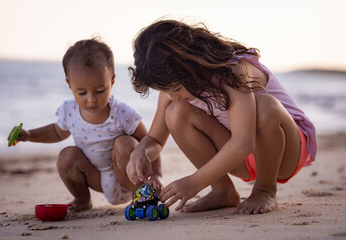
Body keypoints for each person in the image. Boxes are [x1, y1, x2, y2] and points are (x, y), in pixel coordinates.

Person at [126, 19, 317, 214]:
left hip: (285, 152)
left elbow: (244, 143)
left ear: (190, 66)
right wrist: (141, 151)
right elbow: (155, 140)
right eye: (166, 90)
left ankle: (265, 189)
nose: (172, 96)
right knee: (175, 112)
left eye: (175, 89)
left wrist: (194, 182)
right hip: (241, 158)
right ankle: (222, 190)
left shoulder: (233, 72)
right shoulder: (172, 90)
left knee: (265, 105)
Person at [13, 37, 163, 211]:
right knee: (66, 155)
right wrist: (30, 135)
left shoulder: (122, 113)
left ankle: (140, 198)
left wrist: (156, 174)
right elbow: (56, 132)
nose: (91, 99)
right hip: (96, 178)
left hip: (127, 177)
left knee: (126, 143)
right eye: (82, 92)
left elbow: (149, 141)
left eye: (100, 90)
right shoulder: (69, 111)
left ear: (112, 81)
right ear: (70, 85)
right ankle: (82, 199)